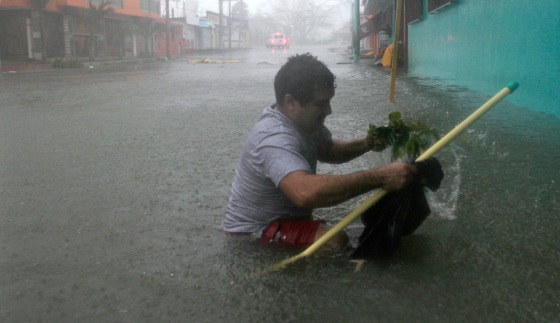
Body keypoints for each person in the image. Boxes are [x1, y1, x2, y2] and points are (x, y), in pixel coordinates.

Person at [223, 53, 417, 252]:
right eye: (321, 104)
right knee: (334, 241)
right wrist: (381, 178)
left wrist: (369, 143)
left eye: (329, 101)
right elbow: (305, 193)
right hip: (253, 234)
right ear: (290, 102)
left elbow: (330, 151)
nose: (329, 110)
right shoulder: (274, 138)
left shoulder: (305, 124)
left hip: (286, 221)